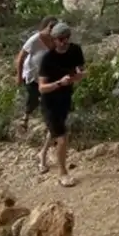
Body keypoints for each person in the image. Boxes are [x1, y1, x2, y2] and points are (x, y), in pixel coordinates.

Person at [37, 21, 86, 188]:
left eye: (67, 38)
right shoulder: (47, 59)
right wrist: (59, 83)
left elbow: (80, 68)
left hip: (66, 97)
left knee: (54, 132)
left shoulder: (75, 50)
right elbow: (42, 88)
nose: (64, 42)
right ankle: (62, 173)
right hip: (50, 101)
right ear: (54, 39)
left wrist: (79, 74)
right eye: (60, 39)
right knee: (62, 137)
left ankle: (42, 154)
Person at [14, 15, 58, 149]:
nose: (52, 30)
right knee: (33, 97)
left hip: (45, 75)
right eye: (50, 27)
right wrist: (19, 75)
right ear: (45, 27)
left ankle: (51, 130)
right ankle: (26, 117)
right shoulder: (34, 40)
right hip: (32, 74)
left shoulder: (55, 41)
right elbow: (21, 57)